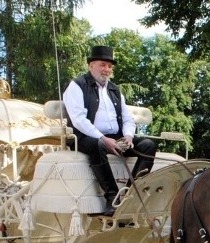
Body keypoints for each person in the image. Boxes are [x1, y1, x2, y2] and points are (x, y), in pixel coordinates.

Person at [62, 45, 157, 216]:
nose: (107, 69)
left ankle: (130, 195)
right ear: (91, 65)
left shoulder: (115, 90)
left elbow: (128, 119)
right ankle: (112, 197)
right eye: (102, 65)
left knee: (149, 145)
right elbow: (79, 120)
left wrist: (128, 136)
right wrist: (104, 138)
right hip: (86, 137)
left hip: (115, 137)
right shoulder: (77, 86)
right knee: (97, 145)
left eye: (109, 66)